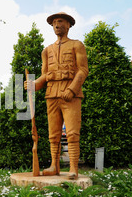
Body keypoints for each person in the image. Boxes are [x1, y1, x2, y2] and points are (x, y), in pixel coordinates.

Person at [25, 12, 89, 179]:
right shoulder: (47, 51)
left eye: (60, 22)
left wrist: (72, 89)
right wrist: (34, 85)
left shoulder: (77, 45)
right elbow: (46, 75)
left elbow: (83, 70)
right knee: (53, 134)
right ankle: (54, 165)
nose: (56, 25)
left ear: (68, 25)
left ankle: (73, 168)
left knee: (73, 133)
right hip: (52, 94)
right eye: (54, 23)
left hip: (70, 95)